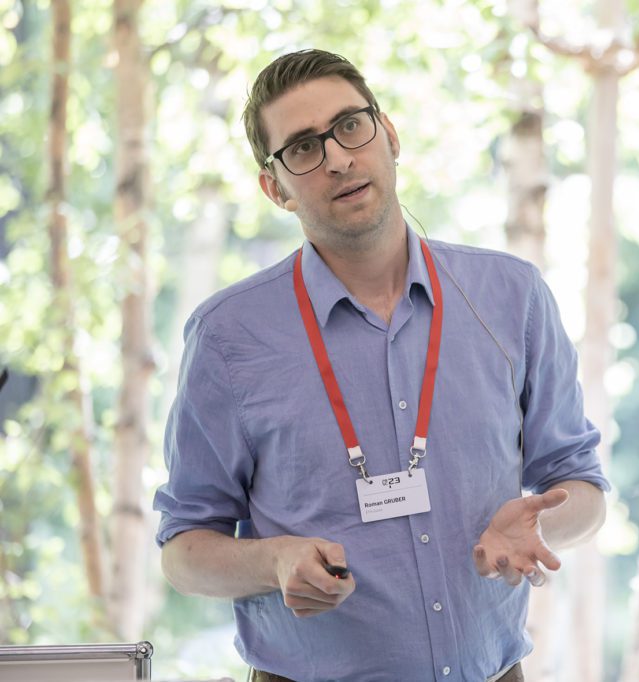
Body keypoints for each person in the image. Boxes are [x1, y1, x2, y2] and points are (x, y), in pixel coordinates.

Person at [154, 49, 609, 682]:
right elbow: (183, 551)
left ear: (388, 135)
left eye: (350, 126)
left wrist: (540, 526)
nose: (338, 158)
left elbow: (582, 487)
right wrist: (273, 561)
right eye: (303, 148)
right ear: (275, 188)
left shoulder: (513, 296)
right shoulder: (228, 336)